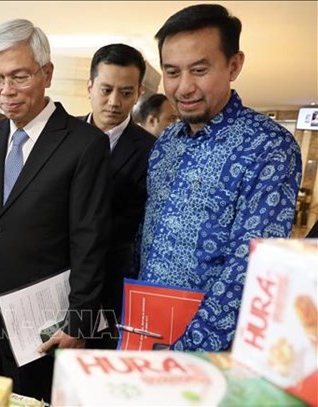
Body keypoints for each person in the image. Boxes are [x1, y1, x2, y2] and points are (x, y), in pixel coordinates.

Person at [0, 19, 111, 401]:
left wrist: (80, 321)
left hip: (42, 321)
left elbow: (91, 237)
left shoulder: (85, 144)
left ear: (46, 73)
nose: (7, 90)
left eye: (19, 76)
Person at [138, 4, 302, 352]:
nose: (184, 87)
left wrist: (184, 353)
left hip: (209, 352)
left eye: (199, 70)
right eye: (172, 72)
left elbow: (252, 264)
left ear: (234, 65)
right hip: (145, 329)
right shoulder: (166, 142)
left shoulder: (268, 146)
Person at [79, 43, 156, 348]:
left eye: (125, 93)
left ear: (139, 93)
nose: (114, 102)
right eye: (106, 89)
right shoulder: (61, 138)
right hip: (54, 277)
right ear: (90, 86)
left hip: (111, 282)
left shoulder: (151, 151)